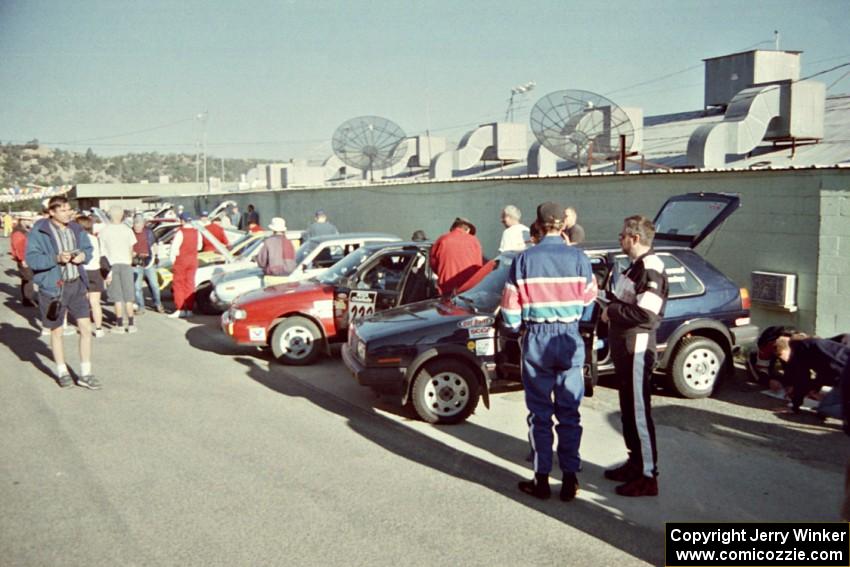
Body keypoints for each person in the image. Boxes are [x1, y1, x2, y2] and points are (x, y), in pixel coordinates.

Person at [501, 202, 597, 501]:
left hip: (537, 339)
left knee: (540, 414)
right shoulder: (580, 258)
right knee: (569, 412)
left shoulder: (524, 259)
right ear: (563, 227)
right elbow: (589, 303)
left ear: (539, 226)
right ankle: (570, 479)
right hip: (569, 338)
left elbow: (509, 310)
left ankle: (541, 479)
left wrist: (518, 329)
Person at [601, 215, 669, 497]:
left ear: (635, 238)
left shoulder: (650, 268)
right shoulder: (636, 267)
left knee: (639, 412)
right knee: (628, 409)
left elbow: (647, 315)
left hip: (637, 347)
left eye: (622, 235)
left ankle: (648, 476)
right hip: (625, 347)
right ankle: (635, 462)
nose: (620, 238)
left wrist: (612, 311)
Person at [25, 196, 98, 389]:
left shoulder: (76, 228)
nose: (68, 213)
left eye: (69, 209)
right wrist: (56, 258)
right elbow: (32, 260)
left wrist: (83, 255)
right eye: (64, 210)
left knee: (85, 328)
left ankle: (86, 373)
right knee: (57, 332)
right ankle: (62, 371)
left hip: (77, 285)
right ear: (52, 212)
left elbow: (88, 249)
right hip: (53, 288)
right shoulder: (39, 231)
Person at [775, 335, 850, 415]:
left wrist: (794, 406)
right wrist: (814, 388)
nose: (785, 359)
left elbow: (802, 379)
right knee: (828, 405)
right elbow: (826, 371)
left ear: (789, 348)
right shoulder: (816, 345)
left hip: (845, 378)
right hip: (844, 376)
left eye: (780, 354)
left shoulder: (800, 349)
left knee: (825, 409)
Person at [99, 205, 138, 334]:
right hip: (126, 264)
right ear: (122, 215)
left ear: (109, 215)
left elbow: (102, 252)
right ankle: (131, 324)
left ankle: (120, 324)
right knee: (129, 297)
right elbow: (131, 249)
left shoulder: (104, 231)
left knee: (117, 297)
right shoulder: (128, 230)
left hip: (112, 265)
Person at [429, 217, 483, 295]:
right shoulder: (474, 241)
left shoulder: (442, 239)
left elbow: (433, 263)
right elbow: (478, 266)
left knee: (446, 306)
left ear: (453, 228)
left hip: (446, 287)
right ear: (468, 230)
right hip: (468, 289)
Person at [76, 215, 106, 338]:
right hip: (96, 271)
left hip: (83, 271)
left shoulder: (78, 240)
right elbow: (102, 256)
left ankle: (85, 327)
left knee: (83, 302)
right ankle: (99, 328)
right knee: (95, 302)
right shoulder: (96, 239)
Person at [168, 212, 201, 318]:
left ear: (182, 221)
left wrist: (173, 261)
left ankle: (180, 308)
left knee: (178, 285)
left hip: (181, 260)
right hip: (193, 259)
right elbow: (199, 247)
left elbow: (174, 249)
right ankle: (189, 308)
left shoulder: (180, 232)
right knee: (190, 284)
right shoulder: (197, 232)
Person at [131, 214, 164, 314]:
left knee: (154, 285)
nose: (137, 227)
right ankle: (141, 307)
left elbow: (154, 244)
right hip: (136, 263)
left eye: (139, 224)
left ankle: (158, 303)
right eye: (135, 224)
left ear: (143, 224)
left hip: (149, 262)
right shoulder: (130, 233)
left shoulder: (149, 232)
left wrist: (157, 256)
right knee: (137, 287)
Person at [10, 215, 36, 306]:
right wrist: (22, 260)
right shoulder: (18, 232)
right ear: (21, 220)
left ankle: (29, 297)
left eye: (29, 220)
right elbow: (19, 247)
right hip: (24, 258)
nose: (28, 222)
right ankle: (27, 299)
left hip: (28, 257)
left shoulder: (24, 230)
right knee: (28, 278)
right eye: (27, 220)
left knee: (28, 278)